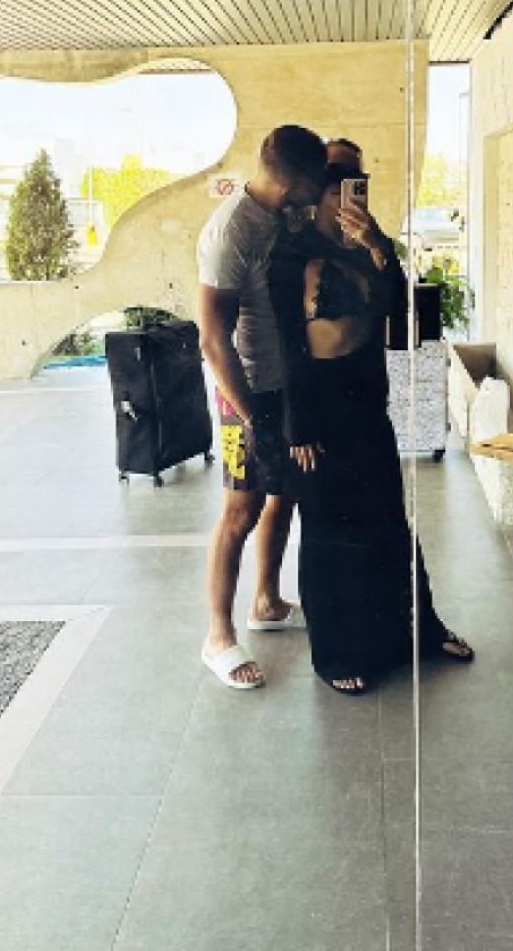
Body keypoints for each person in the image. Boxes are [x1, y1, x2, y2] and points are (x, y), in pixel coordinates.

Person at [269, 152, 473, 695]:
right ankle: (337, 654)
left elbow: (404, 318)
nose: (349, 202)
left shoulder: (367, 245)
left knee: (388, 524)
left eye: (356, 190)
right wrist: (297, 425)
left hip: (365, 402)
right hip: (316, 409)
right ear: (318, 197)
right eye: (338, 191)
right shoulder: (292, 252)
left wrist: (380, 247)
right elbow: (284, 343)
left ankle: (421, 632)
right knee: (328, 534)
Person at [197, 125, 327, 690]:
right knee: (240, 510)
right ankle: (217, 636)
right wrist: (252, 418)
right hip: (245, 392)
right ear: (295, 182)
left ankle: (267, 601)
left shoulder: (284, 216)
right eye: (318, 181)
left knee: (284, 493)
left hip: (285, 384)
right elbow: (212, 339)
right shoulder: (231, 231)